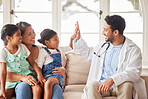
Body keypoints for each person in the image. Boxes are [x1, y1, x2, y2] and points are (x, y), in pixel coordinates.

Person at [72, 15, 147, 99]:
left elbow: (134, 72)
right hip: (101, 86)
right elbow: (88, 54)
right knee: (92, 85)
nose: (103, 32)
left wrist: (112, 79)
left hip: (119, 85)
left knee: (127, 85)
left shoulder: (133, 50)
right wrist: (78, 38)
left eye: (106, 30)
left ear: (115, 32)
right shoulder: (102, 46)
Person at [15, 21, 72, 99]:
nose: (34, 35)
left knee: (56, 87)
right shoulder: (15, 52)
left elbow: (60, 50)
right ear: (21, 37)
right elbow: (6, 74)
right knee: (23, 87)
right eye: (29, 34)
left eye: (33, 32)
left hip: (44, 80)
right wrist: (23, 78)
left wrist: (63, 70)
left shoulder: (42, 50)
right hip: (26, 81)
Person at [0, 24, 44, 99]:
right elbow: (3, 72)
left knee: (37, 89)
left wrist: (39, 74)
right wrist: (3, 90)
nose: (21, 37)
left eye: (21, 34)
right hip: (11, 82)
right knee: (3, 96)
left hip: (27, 76)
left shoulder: (23, 47)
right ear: (8, 38)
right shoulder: (4, 52)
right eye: (18, 35)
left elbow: (33, 63)